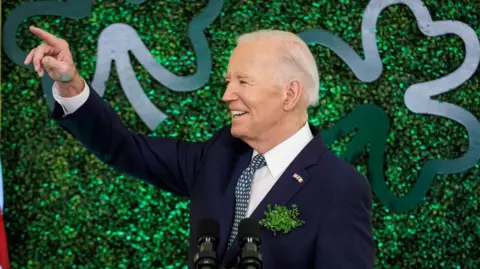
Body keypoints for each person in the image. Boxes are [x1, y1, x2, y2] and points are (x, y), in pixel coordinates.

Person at [24, 25, 375, 269]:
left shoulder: (340, 188)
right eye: (227, 81)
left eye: (243, 81)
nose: (226, 95)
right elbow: (125, 148)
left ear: (290, 93)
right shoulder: (219, 155)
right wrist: (70, 85)